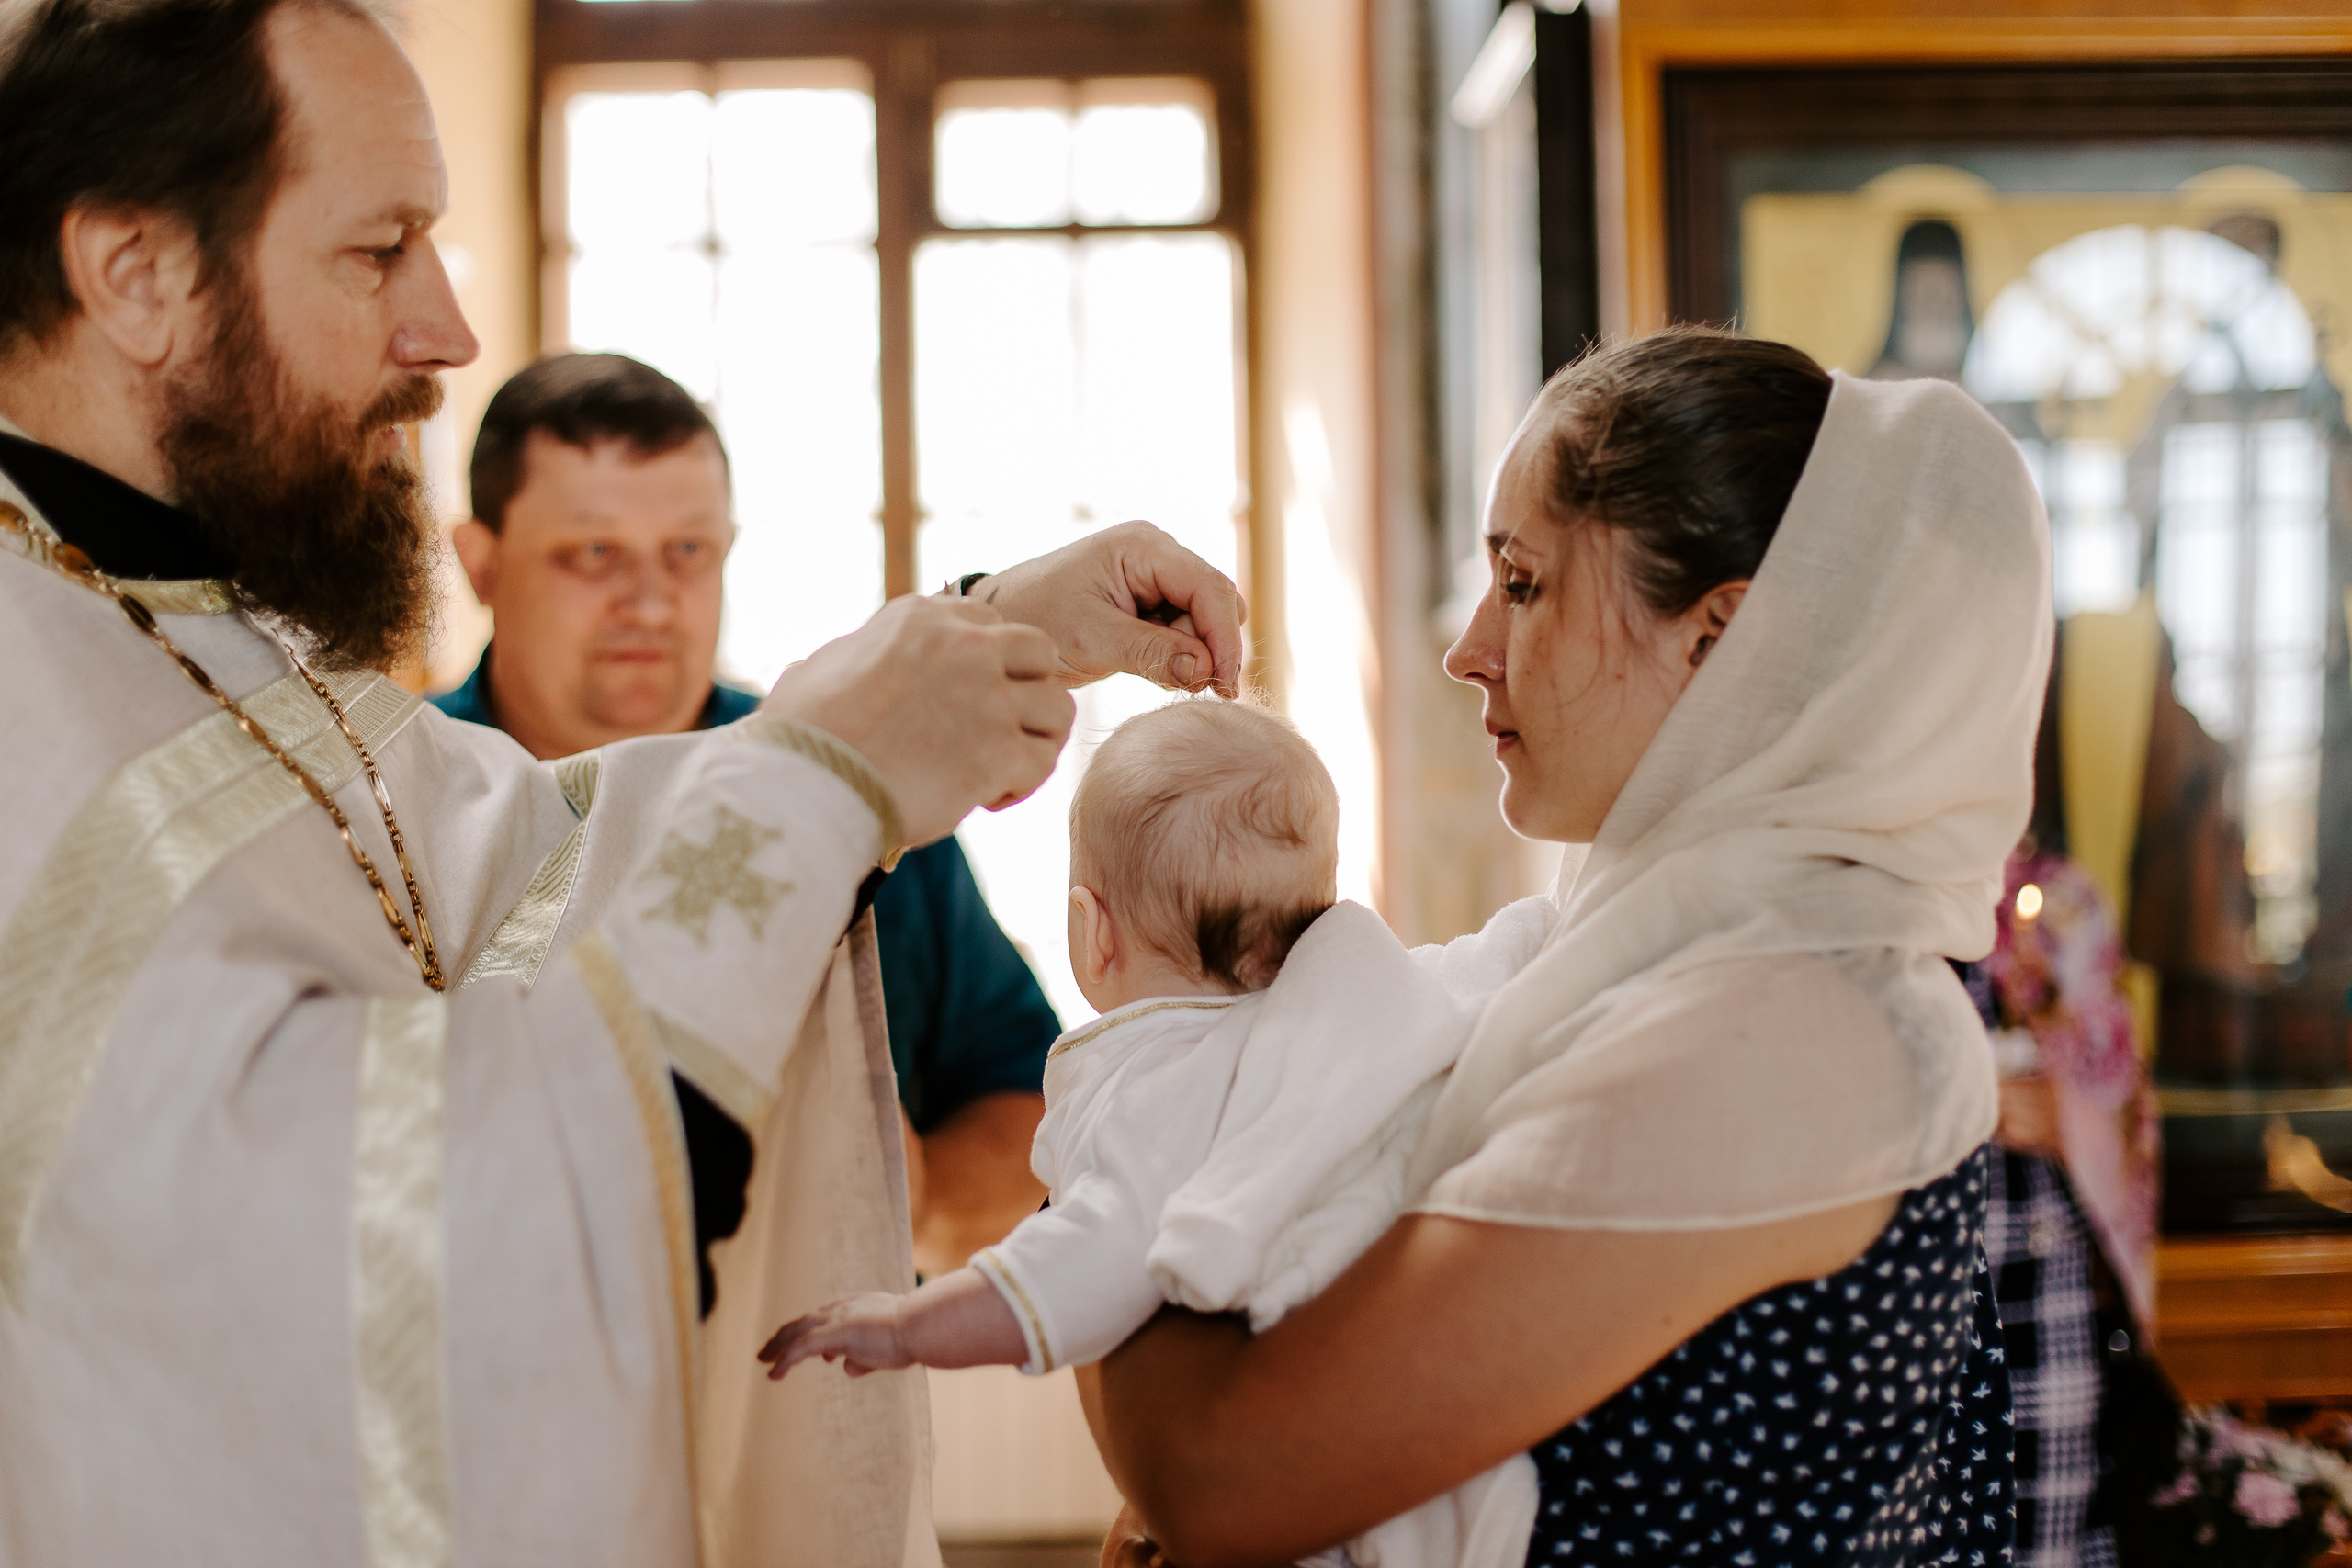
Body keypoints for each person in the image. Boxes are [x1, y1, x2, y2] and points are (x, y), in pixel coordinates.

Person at [0, 3, 1243, 1565]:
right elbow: (361, 1266)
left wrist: (976, 638)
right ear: (137, 274)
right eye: (380, 249)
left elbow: (538, 846)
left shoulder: (202, 637)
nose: (447, 328)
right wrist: (831, 771)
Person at [1083, 327, 2051, 1568]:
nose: (1467, 645)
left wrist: (1128, 1097)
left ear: (1717, 639)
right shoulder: (1650, 957)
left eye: (1525, 583)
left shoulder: (1790, 1030)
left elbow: (1222, 1469)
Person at [432, 352, 1062, 1291]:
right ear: (479, 563)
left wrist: (903, 1201)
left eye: (688, 552)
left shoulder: (853, 783)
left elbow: (1029, 1113)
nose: (648, 602)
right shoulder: (396, 798)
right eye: (593, 554)